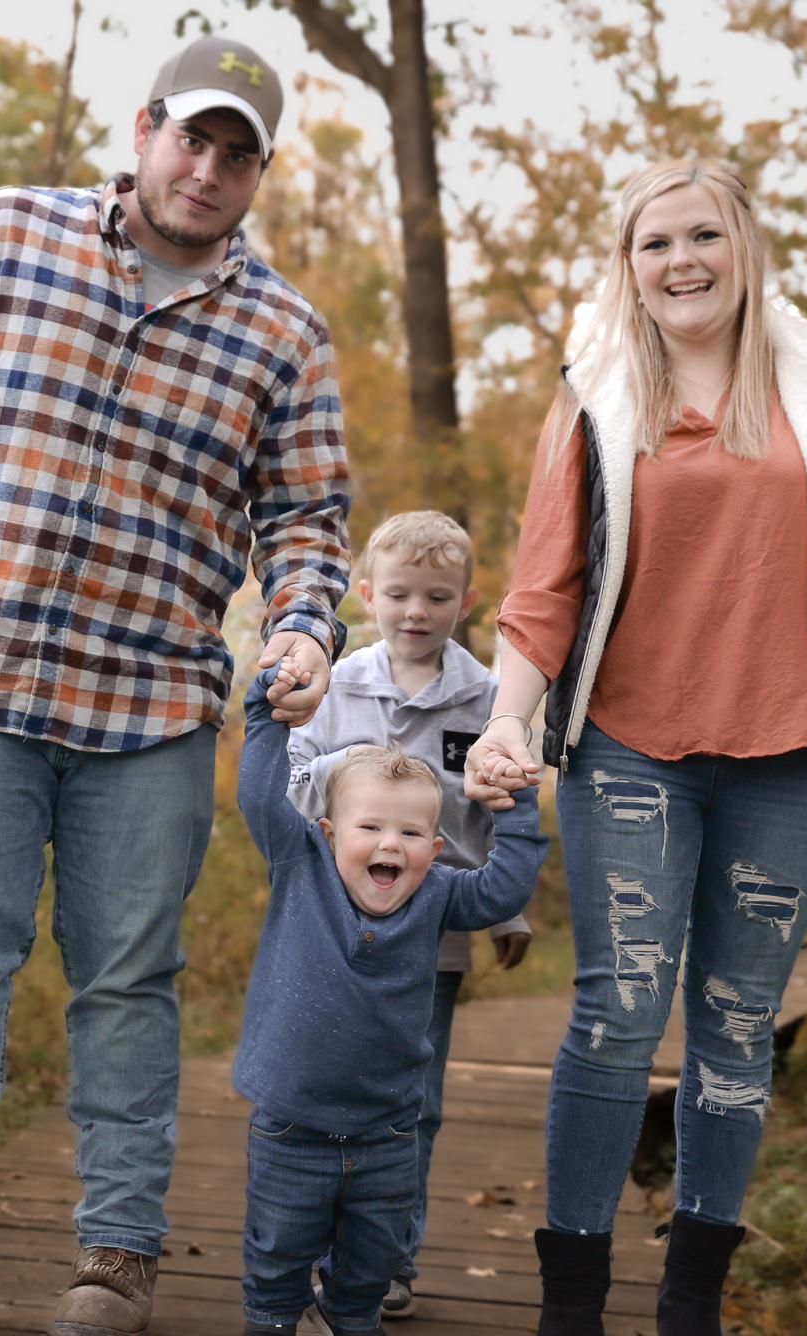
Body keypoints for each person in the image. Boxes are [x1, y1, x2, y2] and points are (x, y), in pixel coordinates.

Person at [0, 35, 351, 1336]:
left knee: (130, 982)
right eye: (192, 138)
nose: (206, 170)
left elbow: (308, 516)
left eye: (237, 155)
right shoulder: (2, 234)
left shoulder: (284, 331)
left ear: (259, 174)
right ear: (146, 129)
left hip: (147, 707)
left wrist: (305, 627)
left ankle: (117, 1262)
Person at [465, 158, 807, 1336]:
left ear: (744, 244)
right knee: (618, 1016)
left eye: (702, 236)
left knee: (734, 1024)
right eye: (654, 243)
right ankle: (571, 1311)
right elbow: (542, 585)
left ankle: (690, 1308)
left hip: (794, 758)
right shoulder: (593, 394)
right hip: (629, 747)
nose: (681, 261)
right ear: (627, 266)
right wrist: (507, 719)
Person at [236, 659, 547, 1336]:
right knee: (277, 1260)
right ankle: (274, 1321)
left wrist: (516, 802)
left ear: (434, 849)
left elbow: (502, 889)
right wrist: (264, 714)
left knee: (370, 1268)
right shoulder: (301, 866)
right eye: (370, 828)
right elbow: (261, 797)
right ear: (329, 834)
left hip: (387, 1131)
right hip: (292, 1124)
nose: (390, 845)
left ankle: (351, 1317)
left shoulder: (437, 894)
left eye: (409, 835)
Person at [284, 510, 535, 1320]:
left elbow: (496, 813)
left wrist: (508, 914)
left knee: (411, 1104)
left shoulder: (486, 699)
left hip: (434, 939)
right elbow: (293, 785)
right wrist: (353, 768)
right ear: (368, 595)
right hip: (334, 936)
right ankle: (318, 1252)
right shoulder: (339, 685)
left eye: (436, 596)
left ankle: (388, 1260)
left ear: (466, 602)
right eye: (398, 594)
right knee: (329, 1094)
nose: (416, 611)